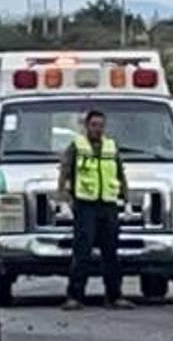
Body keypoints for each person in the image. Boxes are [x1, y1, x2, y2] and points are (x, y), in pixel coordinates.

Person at [57, 110, 135, 311]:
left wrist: (126, 201)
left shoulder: (111, 147)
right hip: (85, 206)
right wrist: (64, 200)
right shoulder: (76, 147)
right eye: (94, 125)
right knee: (82, 253)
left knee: (111, 253)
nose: (97, 129)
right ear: (86, 126)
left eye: (101, 125)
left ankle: (114, 295)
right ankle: (74, 296)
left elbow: (120, 174)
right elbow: (65, 172)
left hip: (108, 206)